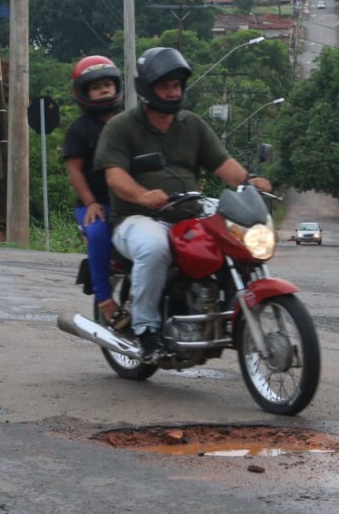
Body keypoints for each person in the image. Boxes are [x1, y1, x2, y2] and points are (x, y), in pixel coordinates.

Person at [94, 46, 271, 362]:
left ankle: (225, 309)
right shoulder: (121, 127)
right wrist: (142, 195)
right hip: (136, 218)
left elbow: (222, 163)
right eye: (165, 86)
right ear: (148, 88)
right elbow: (115, 176)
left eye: (177, 85)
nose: (173, 92)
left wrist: (249, 181)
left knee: (236, 235)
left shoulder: (192, 124)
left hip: (188, 212)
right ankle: (146, 329)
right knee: (155, 247)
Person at [63, 55, 125, 328]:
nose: (104, 90)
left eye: (108, 84)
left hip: (128, 202)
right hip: (95, 205)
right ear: (84, 92)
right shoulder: (80, 129)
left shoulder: (127, 122)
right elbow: (75, 171)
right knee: (99, 232)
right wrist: (90, 203)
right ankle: (104, 298)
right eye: (96, 86)